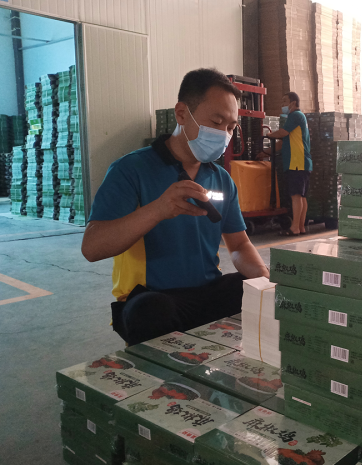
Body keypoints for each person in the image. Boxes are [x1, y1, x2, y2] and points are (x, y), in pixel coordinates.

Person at [81, 68, 269, 345]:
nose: (223, 135)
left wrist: (265, 280)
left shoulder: (221, 179)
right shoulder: (131, 170)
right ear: (181, 114)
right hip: (152, 296)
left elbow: (239, 245)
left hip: (207, 292)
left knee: (247, 289)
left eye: (230, 128)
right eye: (216, 122)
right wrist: (157, 210)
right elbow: (92, 248)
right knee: (150, 311)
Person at [259, 92, 312, 236]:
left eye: (284, 101)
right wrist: (264, 153)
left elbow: (282, 133)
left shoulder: (295, 115)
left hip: (297, 162)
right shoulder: (297, 119)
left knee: (296, 196)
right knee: (301, 196)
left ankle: (295, 228)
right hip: (302, 162)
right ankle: (300, 227)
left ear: (293, 103)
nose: (282, 105)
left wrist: (268, 135)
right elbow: (281, 144)